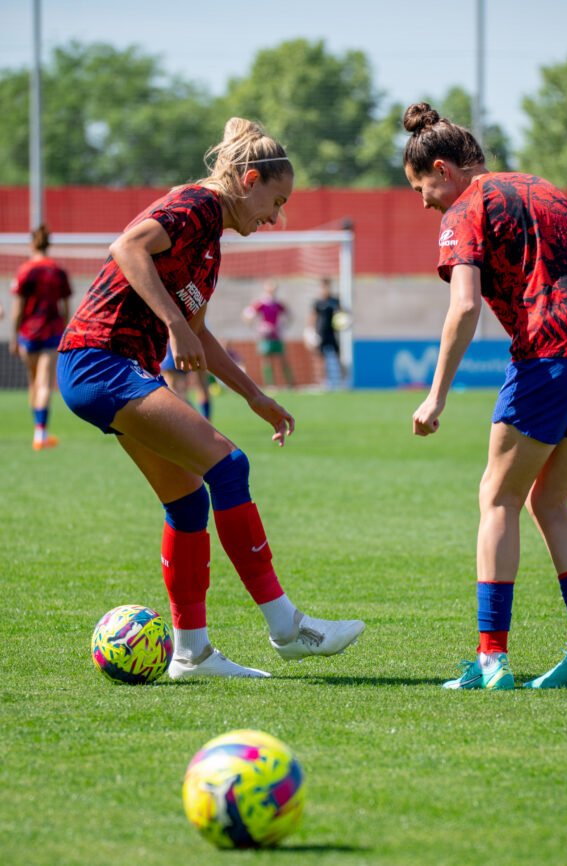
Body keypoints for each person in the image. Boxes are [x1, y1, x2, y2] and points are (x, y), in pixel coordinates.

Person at [57, 117, 364, 680]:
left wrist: (255, 395)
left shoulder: (212, 247)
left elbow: (199, 334)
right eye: (276, 201)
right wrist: (173, 324)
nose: (277, 218)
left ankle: (190, 654)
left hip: (106, 368)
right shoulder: (196, 205)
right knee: (230, 466)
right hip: (100, 361)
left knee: (189, 501)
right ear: (248, 180)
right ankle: (287, 628)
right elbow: (127, 248)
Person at [402, 102, 567, 690]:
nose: (423, 199)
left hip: (555, 350)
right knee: (550, 499)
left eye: (421, 186)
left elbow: (463, 305)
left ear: (443, 168)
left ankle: (491, 662)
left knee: (498, 497)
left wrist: (435, 396)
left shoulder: (464, 208)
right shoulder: (541, 186)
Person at [10, 225, 72, 450]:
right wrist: (66, 331)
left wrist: (14, 336)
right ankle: (41, 433)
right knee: (45, 382)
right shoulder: (58, 271)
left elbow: (18, 308)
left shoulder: (25, 270)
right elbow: (65, 307)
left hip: (28, 333)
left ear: (31, 244)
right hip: (52, 332)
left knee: (33, 381)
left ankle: (38, 431)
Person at [242, 280, 295, 388]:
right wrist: (255, 327)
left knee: (282, 358)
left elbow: (289, 314)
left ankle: (290, 384)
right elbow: (248, 314)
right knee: (266, 360)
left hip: (276, 335)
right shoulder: (261, 303)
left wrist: (283, 326)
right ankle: (270, 384)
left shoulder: (278, 303)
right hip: (265, 335)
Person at [160, 342, 213, 420]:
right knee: (201, 386)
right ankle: (204, 422)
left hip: (176, 343)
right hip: (196, 342)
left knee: (176, 392)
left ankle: (198, 422)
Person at [309, 277, 345, 389]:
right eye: (323, 287)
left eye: (327, 286)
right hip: (320, 333)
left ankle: (341, 381)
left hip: (332, 333)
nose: (325, 289)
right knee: (320, 358)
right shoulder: (317, 302)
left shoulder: (335, 301)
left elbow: (342, 314)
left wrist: (345, 321)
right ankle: (323, 382)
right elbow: (312, 317)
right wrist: (310, 332)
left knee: (337, 355)